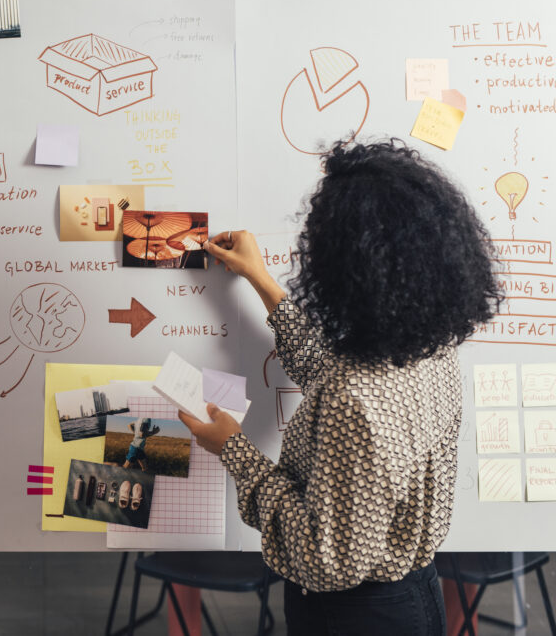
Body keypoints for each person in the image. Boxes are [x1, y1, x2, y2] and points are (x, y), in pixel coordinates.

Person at [178, 139, 502, 636]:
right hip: (412, 595)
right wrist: (262, 280)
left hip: (356, 616)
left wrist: (234, 451)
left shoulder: (354, 400)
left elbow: (324, 561)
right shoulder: (427, 344)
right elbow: (329, 371)